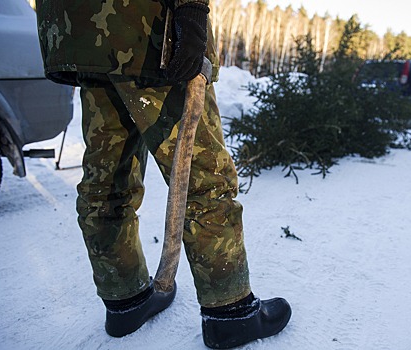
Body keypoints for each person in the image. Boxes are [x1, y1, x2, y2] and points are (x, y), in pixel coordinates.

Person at [35, 0, 291, 348]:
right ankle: (231, 314)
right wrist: (193, 10)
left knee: (106, 180)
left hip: (78, 32)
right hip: (148, 29)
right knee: (205, 179)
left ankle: (125, 302)